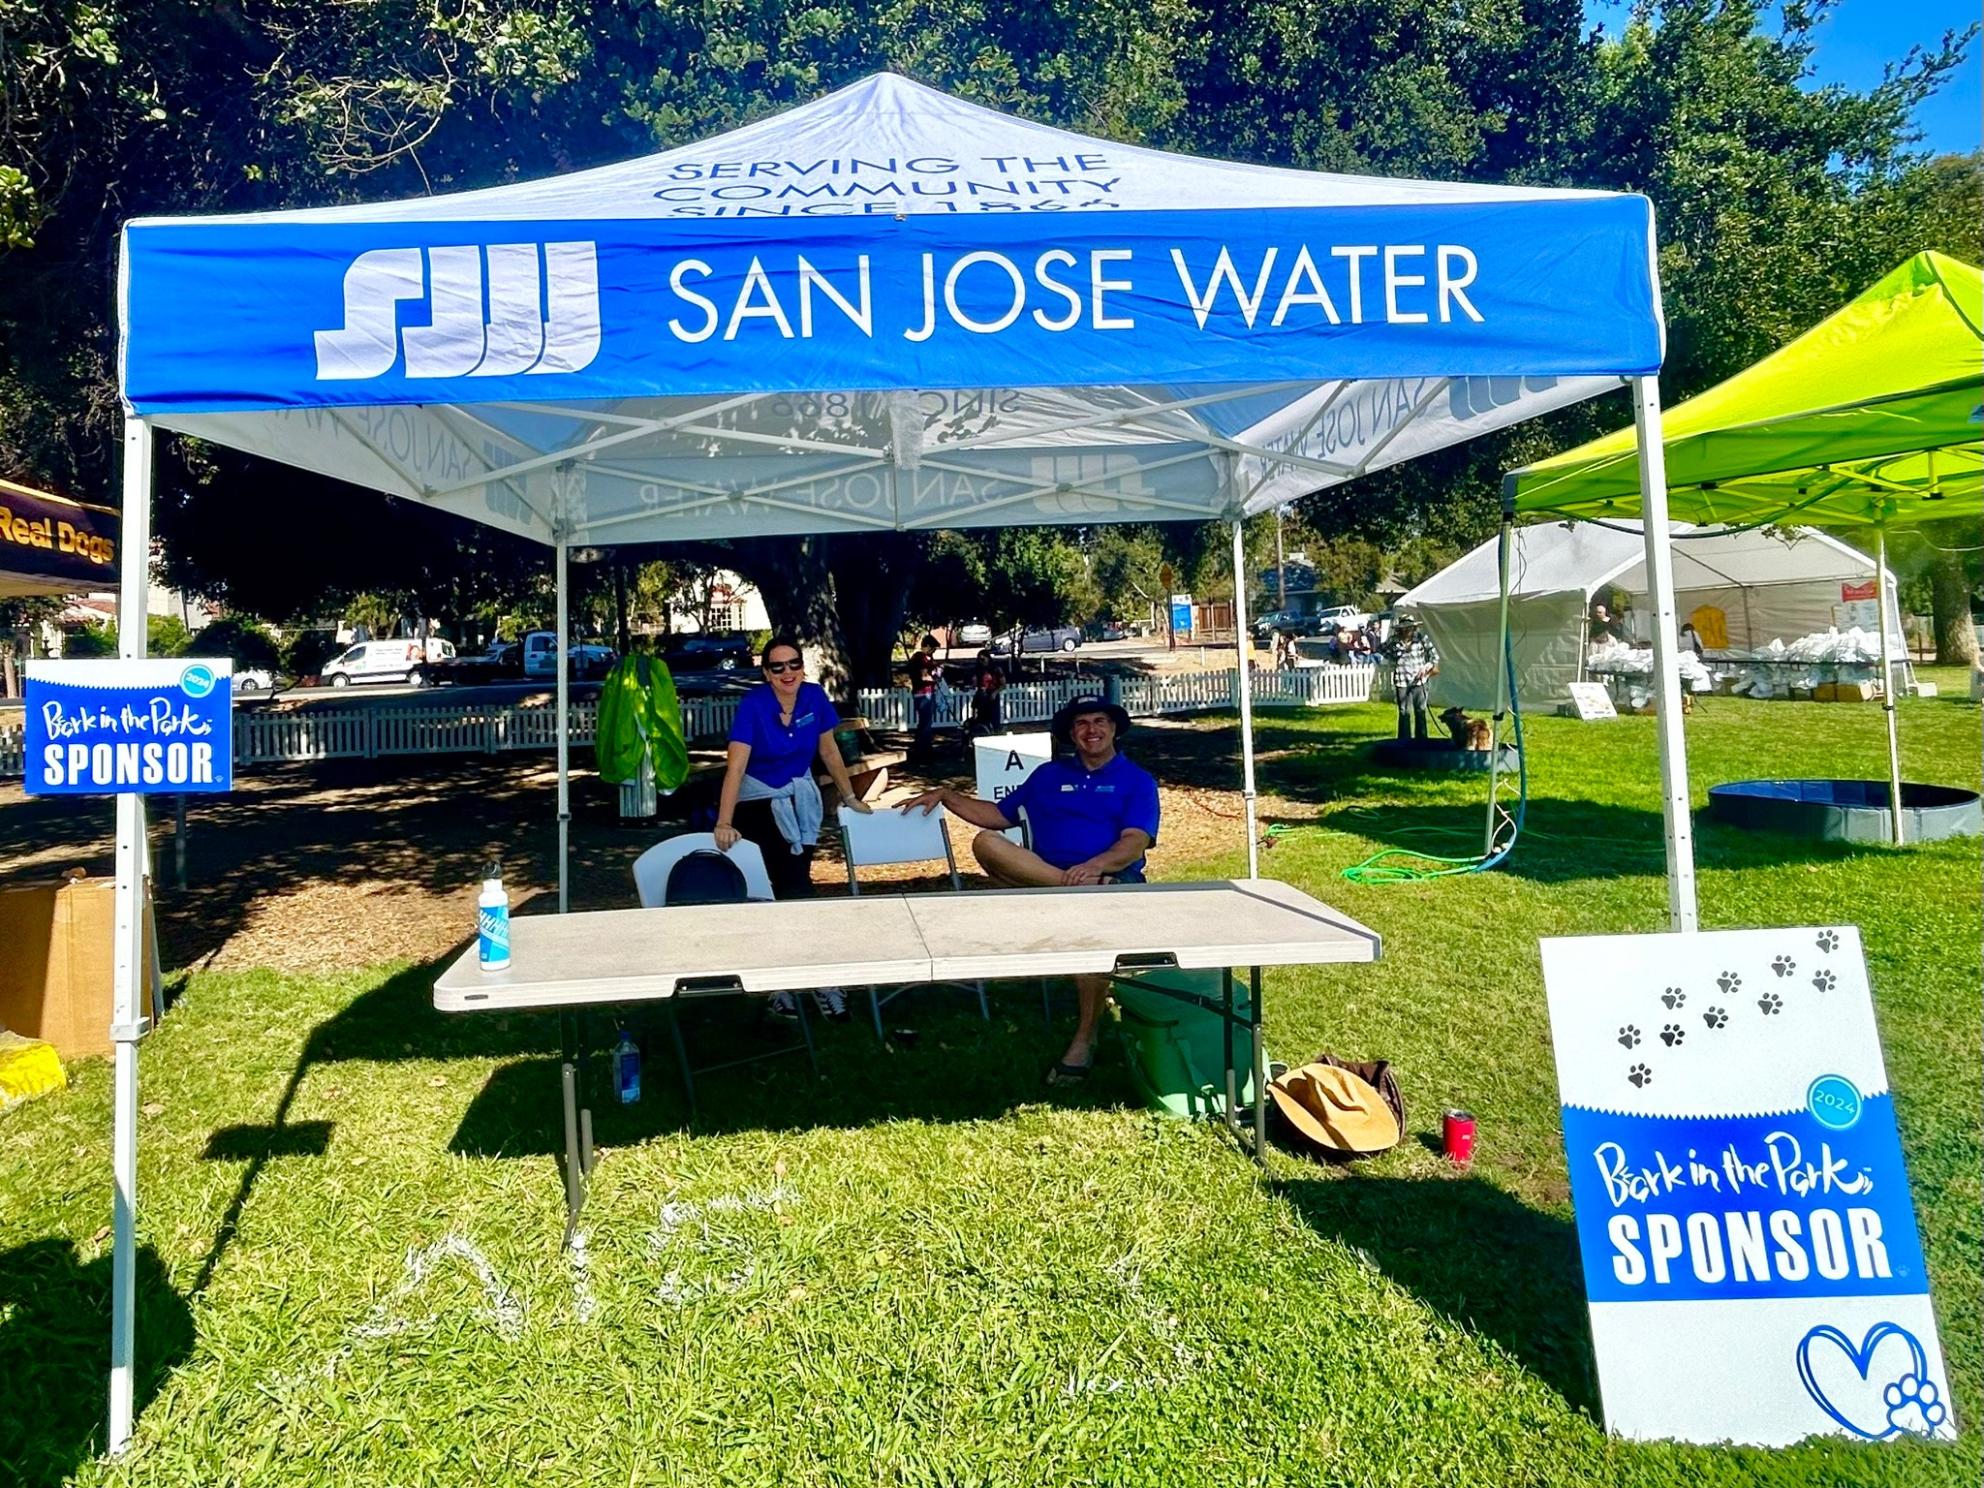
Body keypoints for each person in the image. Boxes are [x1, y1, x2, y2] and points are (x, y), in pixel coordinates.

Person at [902, 695, 1159, 1085]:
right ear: (1071, 733)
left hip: (1113, 881)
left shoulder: (1136, 781)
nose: (1092, 730)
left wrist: (1095, 866)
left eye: (1100, 721)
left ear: (1114, 728)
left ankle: (1085, 1039)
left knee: (1090, 934)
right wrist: (946, 795)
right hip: (1056, 879)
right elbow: (999, 816)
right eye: (1082, 723)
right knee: (985, 842)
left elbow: (1135, 842)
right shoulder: (1048, 776)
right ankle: (1072, 890)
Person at [1385, 617, 1439, 742]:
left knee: (1420, 710)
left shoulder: (1421, 638)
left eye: (1408, 628)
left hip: (1419, 681)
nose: (1406, 631)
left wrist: (1426, 668)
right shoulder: (1394, 641)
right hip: (1401, 679)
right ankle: (1404, 741)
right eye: (1403, 629)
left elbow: (1434, 656)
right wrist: (1394, 657)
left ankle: (1421, 740)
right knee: (1404, 711)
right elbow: (1382, 650)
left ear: (1413, 628)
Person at [906, 633, 941, 760]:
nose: (933, 652)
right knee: (925, 722)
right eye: (932, 649)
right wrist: (935, 679)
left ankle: (923, 747)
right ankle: (923, 750)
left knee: (925, 722)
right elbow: (924, 676)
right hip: (924, 694)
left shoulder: (925, 659)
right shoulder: (920, 659)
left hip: (923, 693)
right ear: (926, 646)